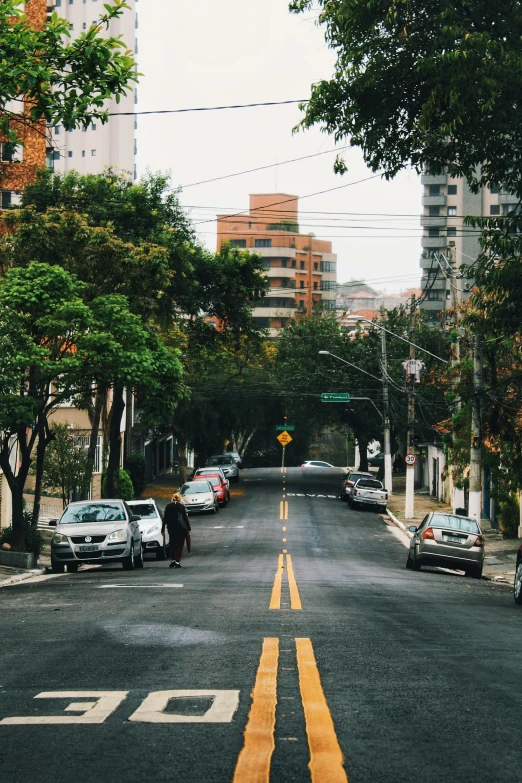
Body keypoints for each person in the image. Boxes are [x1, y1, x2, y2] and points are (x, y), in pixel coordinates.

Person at [161, 492, 191, 568]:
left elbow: (165, 518)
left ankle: (173, 559)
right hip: (181, 528)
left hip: (171, 528)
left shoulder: (168, 506)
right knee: (179, 544)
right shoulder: (181, 507)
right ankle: (177, 560)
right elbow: (185, 518)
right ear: (180, 499)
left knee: (172, 543)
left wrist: (163, 529)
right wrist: (189, 528)